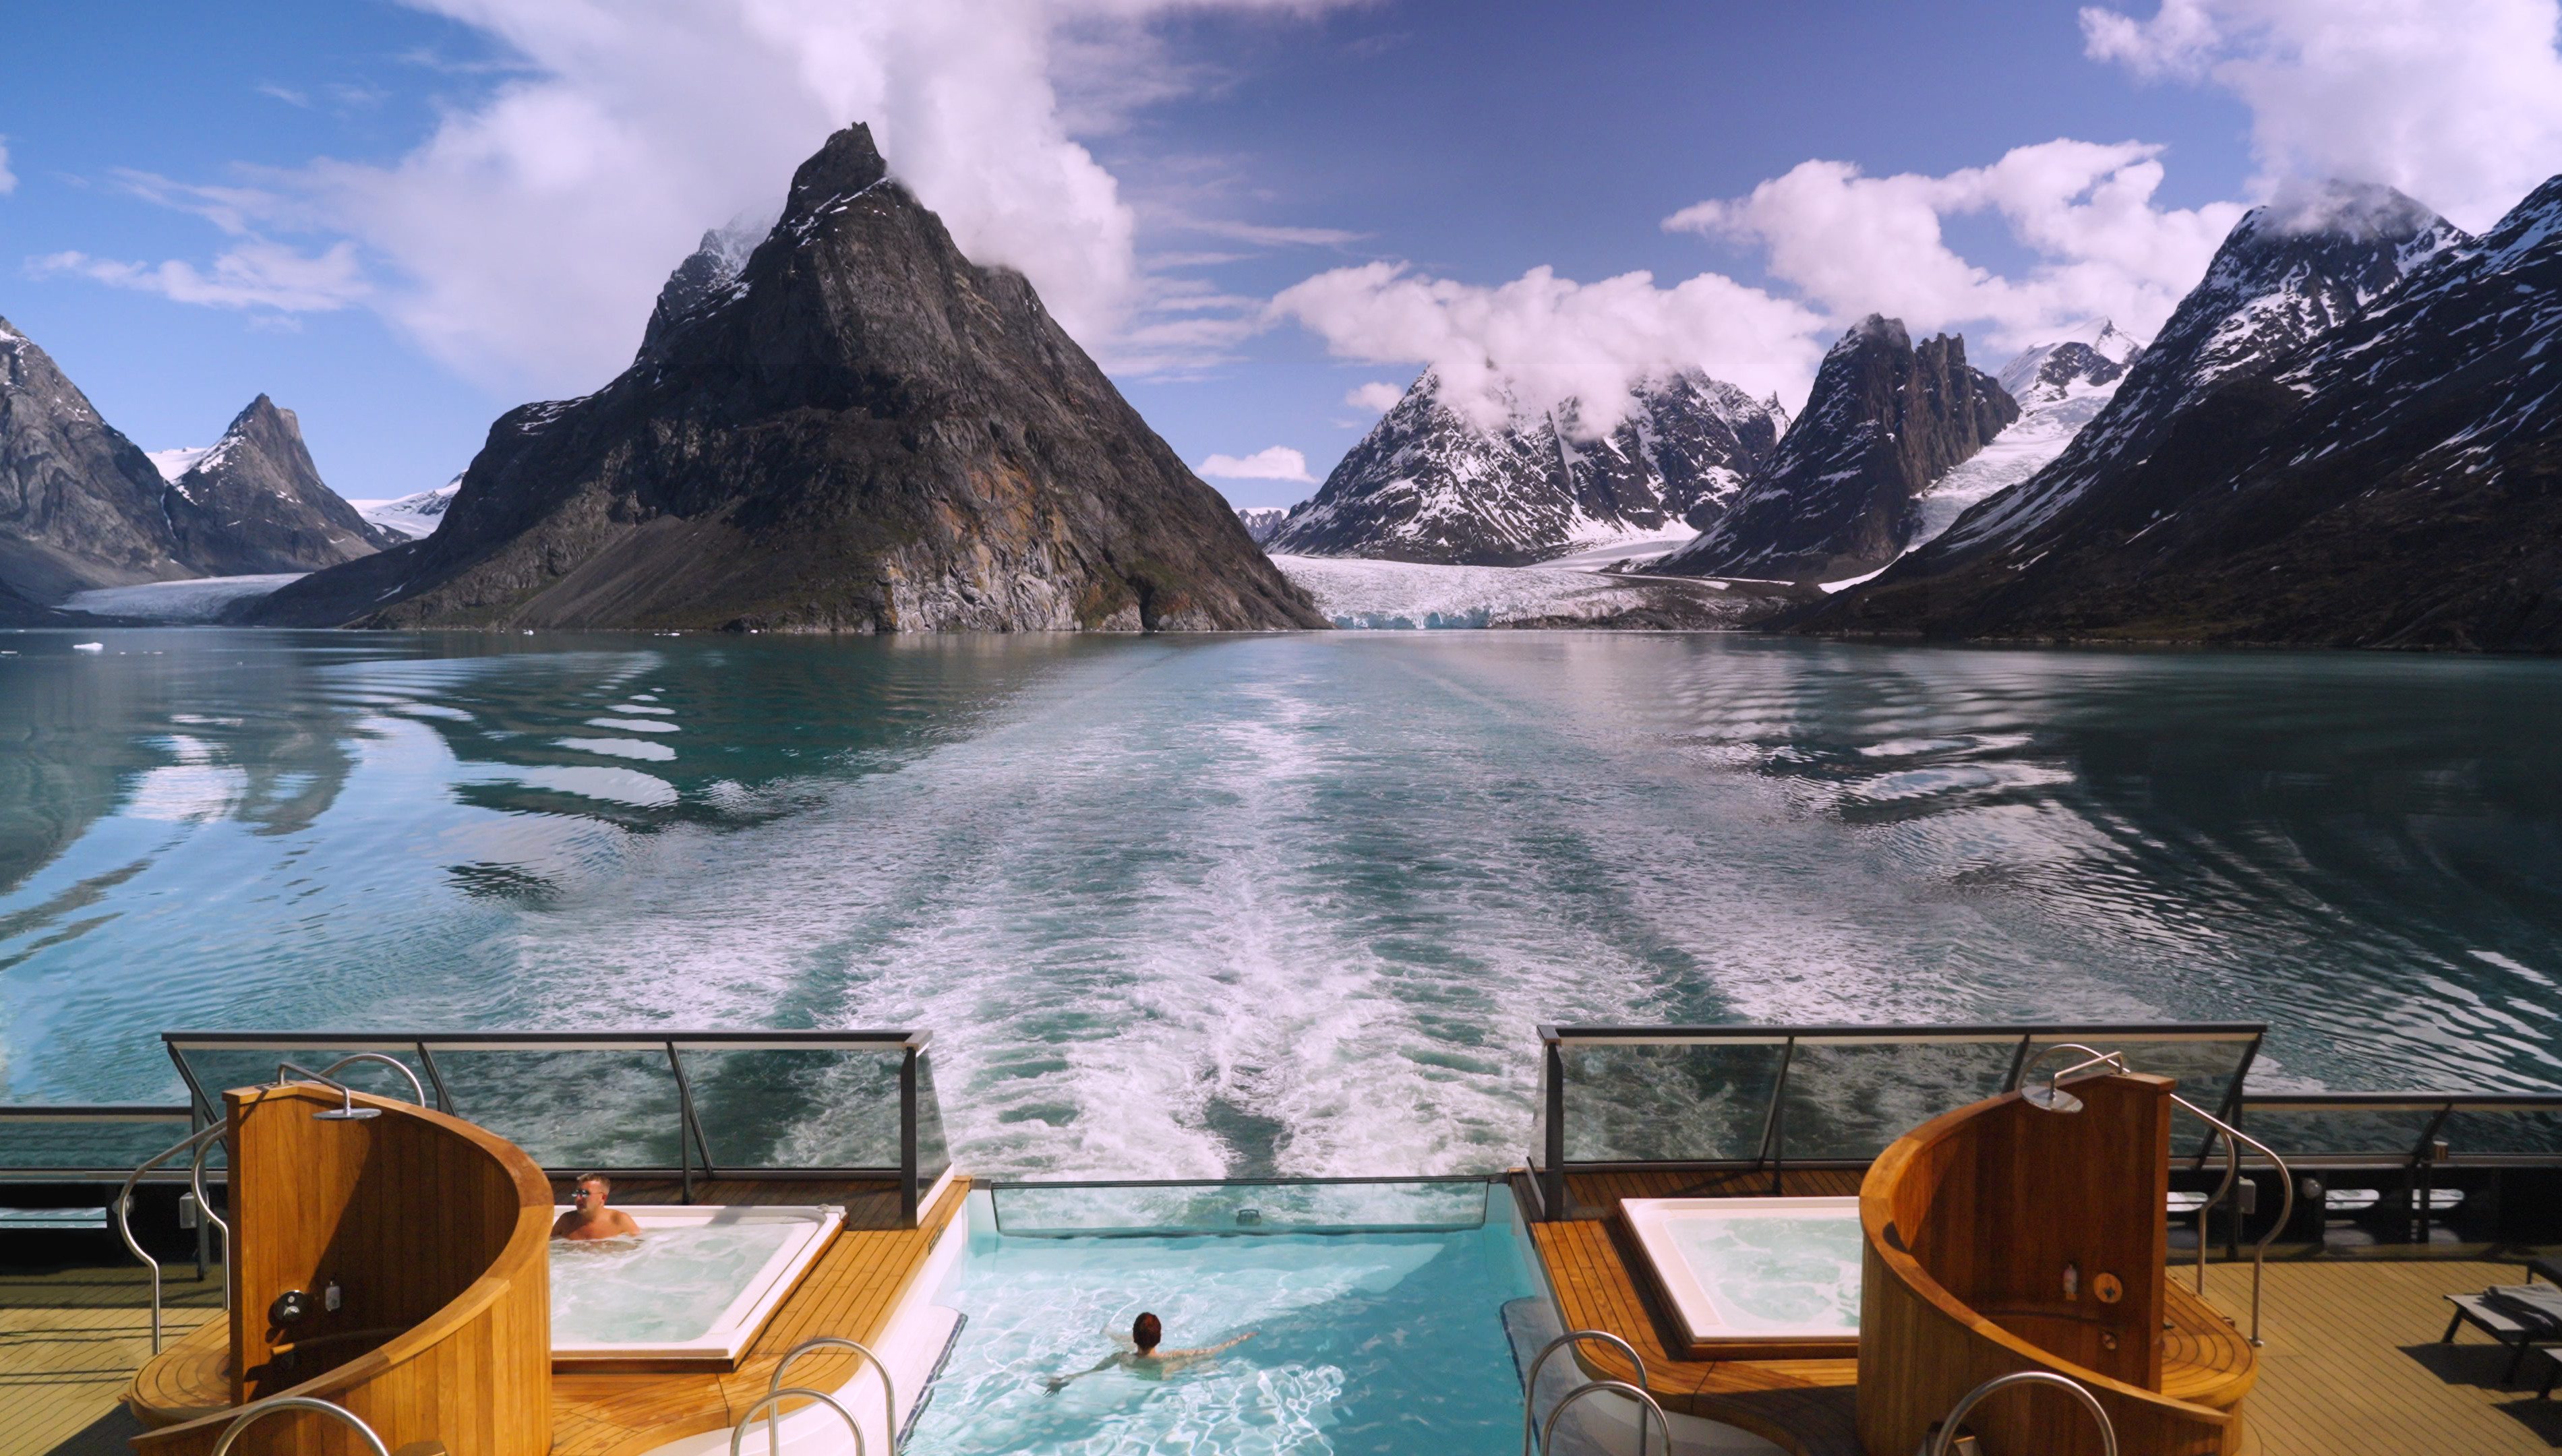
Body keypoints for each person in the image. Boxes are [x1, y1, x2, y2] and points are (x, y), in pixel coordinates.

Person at [1041, 1312, 1255, 1393]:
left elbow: (1092, 1371)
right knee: (1199, 1360)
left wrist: (1065, 1380)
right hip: (1160, 1374)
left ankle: (1110, 1333)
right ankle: (1112, 1333)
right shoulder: (1173, 1357)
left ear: (1135, 1338)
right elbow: (1214, 1350)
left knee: (1123, 1345)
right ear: (1160, 1337)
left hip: (1133, 1367)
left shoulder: (1121, 1358)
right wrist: (1242, 1338)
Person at [552, 1173, 643, 1241]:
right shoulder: (566, 1221)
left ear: (602, 1198)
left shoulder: (619, 1220)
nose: (578, 1198)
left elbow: (642, 1250)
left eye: (585, 1194)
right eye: (577, 1193)